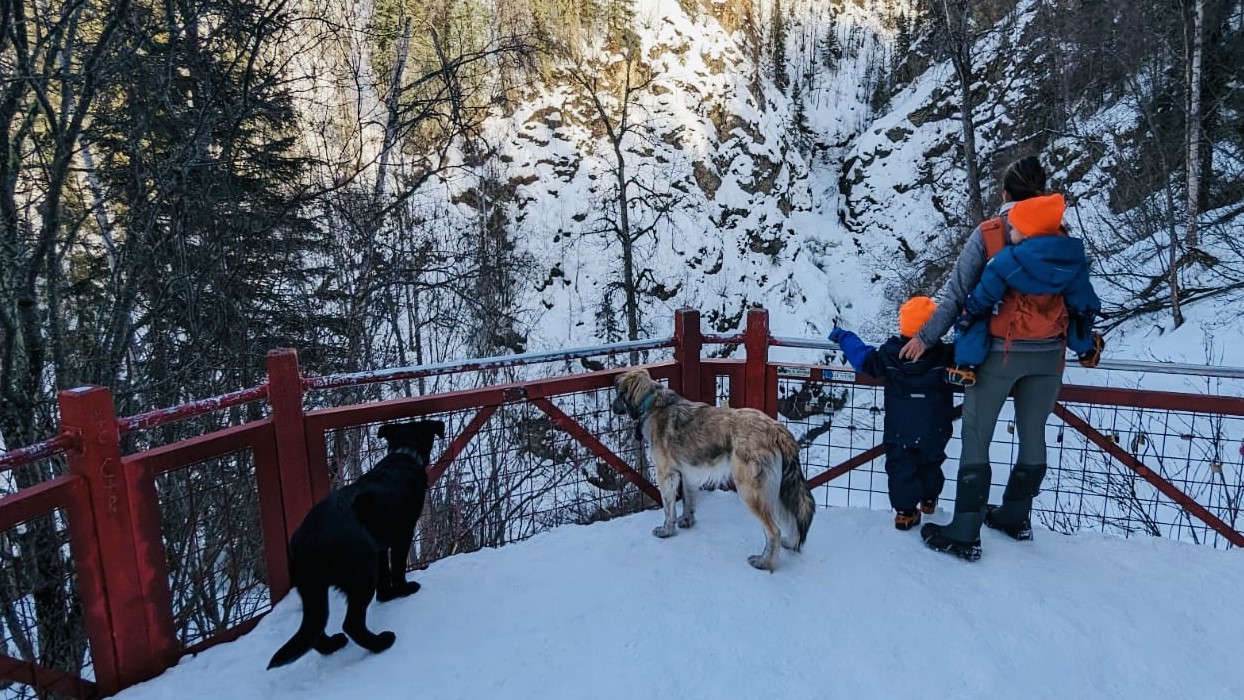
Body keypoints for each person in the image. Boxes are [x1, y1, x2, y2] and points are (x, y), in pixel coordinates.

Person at [898, 156, 1102, 561]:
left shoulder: (992, 234)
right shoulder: (1063, 239)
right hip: (1050, 355)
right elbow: (1081, 301)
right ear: (1042, 194)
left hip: (997, 356)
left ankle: (965, 529)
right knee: (1033, 434)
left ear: (1006, 194)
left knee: (977, 438)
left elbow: (957, 296)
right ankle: (1015, 515)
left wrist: (924, 337)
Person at [829, 296, 957, 531]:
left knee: (900, 466)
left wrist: (843, 336)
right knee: (932, 462)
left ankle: (905, 513)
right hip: (935, 427)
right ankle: (929, 500)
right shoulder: (947, 356)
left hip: (900, 429)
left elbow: (861, 357)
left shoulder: (890, 356)